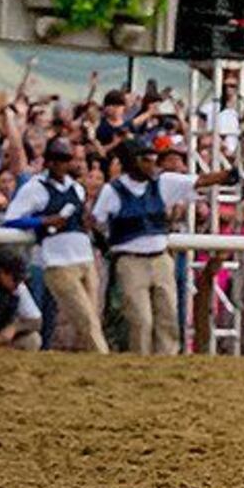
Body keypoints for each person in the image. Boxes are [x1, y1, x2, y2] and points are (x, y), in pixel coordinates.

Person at [91, 136, 228, 355]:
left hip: (161, 258)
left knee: (168, 316)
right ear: (131, 162)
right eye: (147, 160)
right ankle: (141, 361)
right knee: (140, 319)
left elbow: (199, 180)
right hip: (129, 261)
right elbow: (96, 221)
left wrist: (228, 176)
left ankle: (167, 362)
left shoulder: (163, 182)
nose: (152, 165)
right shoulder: (112, 191)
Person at [2, 136, 103, 352]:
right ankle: (102, 357)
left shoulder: (76, 188)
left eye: (66, 159)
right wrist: (43, 221)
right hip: (56, 260)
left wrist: (86, 221)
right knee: (83, 317)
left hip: (84, 256)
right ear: (48, 161)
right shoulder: (34, 187)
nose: (62, 164)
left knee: (91, 315)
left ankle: (86, 357)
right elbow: (11, 219)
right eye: (57, 159)